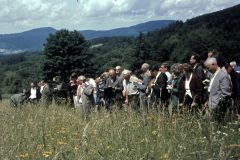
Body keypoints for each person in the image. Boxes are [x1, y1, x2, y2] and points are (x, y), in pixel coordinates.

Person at [204, 57, 232, 123]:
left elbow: (225, 94)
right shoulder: (213, 75)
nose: (207, 70)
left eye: (208, 67)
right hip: (211, 106)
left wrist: (217, 105)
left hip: (218, 109)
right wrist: (208, 101)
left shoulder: (223, 76)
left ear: (213, 64)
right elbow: (213, 90)